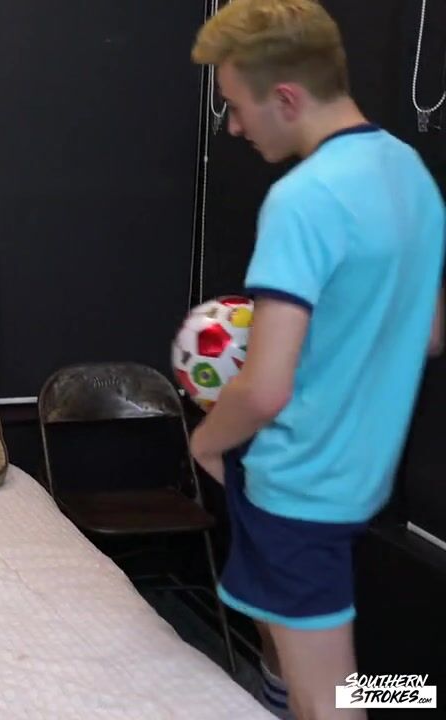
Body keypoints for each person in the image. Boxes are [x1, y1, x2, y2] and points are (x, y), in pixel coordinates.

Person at [188, 1, 445, 719]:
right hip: (361, 475)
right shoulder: (409, 171)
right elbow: (429, 333)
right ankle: (409, 696)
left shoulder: (302, 199)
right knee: (302, 646)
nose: (234, 127)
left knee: (329, 694)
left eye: (238, 107)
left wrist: (205, 441)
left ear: (287, 98)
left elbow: (264, 390)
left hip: (300, 485)